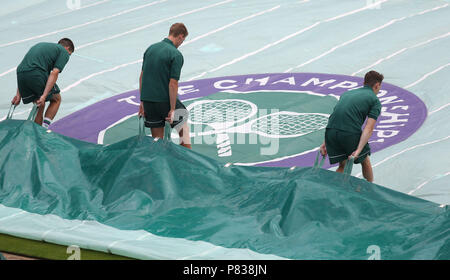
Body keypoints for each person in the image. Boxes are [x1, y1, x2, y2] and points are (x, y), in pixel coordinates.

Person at [320, 70, 383, 182]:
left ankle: (332, 190)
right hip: (348, 133)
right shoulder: (374, 100)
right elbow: (368, 129)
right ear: (377, 85)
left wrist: (326, 142)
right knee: (365, 161)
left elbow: (335, 116)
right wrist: (358, 150)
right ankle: (370, 190)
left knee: (342, 165)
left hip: (331, 132)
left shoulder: (347, 93)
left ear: (364, 82)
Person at [139, 23, 191, 149]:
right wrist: (173, 109)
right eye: (183, 40)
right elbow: (173, 84)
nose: (181, 43)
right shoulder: (175, 54)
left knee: (157, 141)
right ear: (180, 36)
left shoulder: (150, 49)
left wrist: (142, 103)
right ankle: (188, 162)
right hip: (164, 101)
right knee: (183, 128)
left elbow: (142, 77)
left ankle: (158, 165)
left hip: (148, 101)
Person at [11, 38, 74, 128]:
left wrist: (18, 95)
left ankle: (37, 131)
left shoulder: (42, 46)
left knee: (38, 102)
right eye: (70, 54)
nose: (68, 56)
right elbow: (54, 72)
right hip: (36, 73)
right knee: (55, 99)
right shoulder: (63, 52)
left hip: (21, 73)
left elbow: (25, 67)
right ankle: (42, 130)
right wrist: (44, 95)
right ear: (67, 48)